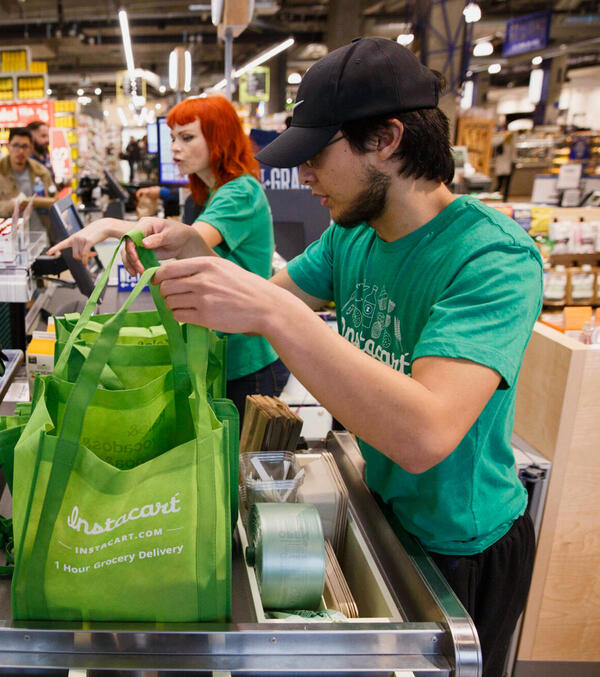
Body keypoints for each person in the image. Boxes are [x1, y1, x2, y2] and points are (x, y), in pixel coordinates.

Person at [124, 38, 540, 677]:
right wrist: (188, 261)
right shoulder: (354, 234)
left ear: (387, 139)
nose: (306, 175)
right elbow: (266, 295)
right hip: (384, 508)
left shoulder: (492, 259)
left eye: (317, 154)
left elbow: (424, 432)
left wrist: (276, 314)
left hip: (464, 547)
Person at [49, 95, 289, 410]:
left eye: (187, 138)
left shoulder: (239, 192)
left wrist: (108, 226)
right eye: (173, 137)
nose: (174, 147)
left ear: (219, 139)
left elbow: (186, 239)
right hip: (228, 346)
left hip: (247, 360)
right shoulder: (220, 189)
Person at [0, 126, 55, 234]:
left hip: (39, 235)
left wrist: (33, 201)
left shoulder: (41, 172)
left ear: (31, 148)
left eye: (25, 146)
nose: (20, 151)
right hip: (7, 238)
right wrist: (11, 206)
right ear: (8, 147)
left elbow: (55, 200)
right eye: (16, 145)